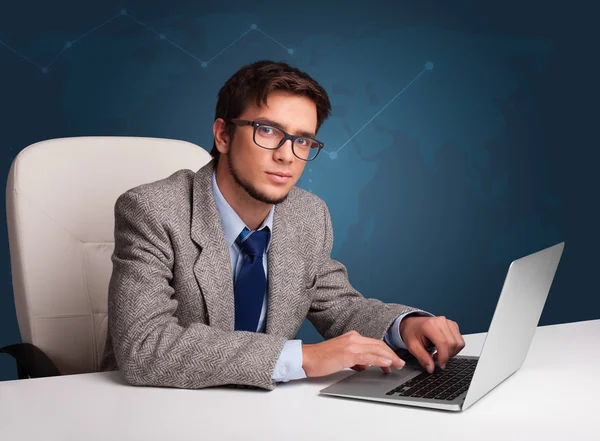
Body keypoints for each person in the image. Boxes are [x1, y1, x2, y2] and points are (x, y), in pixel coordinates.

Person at [100, 59, 465, 390]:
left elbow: (339, 306)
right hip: (154, 410)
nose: (286, 155)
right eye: (268, 130)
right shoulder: (153, 211)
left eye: (302, 140)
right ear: (223, 135)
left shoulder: (308, 215)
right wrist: (303, 357)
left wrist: (405, 326)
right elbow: (144, 346)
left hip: (264, 415)